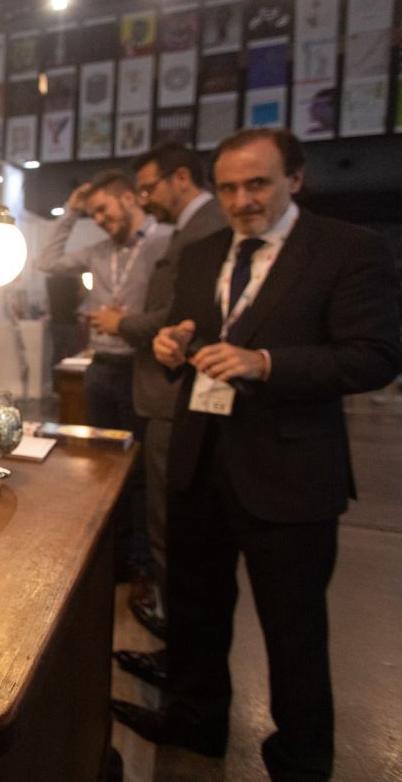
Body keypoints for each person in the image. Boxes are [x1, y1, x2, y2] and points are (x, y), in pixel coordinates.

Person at [112, 128, 402, 780]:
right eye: (231, 186)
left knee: (293, 632)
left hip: (289, 472)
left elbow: (376, 355)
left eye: (259, 183)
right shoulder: (205, 251)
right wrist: (172, 344)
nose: (243, 199)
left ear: (295, 178)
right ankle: (196, 719)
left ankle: (300, 760)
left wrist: (266, 362)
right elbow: (191, 333)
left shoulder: (347, 249)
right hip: (200, 459)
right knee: (195, 609)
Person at [96, 144, 228, 689]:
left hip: (175, 392)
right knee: (165, 520)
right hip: (164, 388)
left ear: (180, 178)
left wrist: (125, 325)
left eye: (148, 188)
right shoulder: (191, 231)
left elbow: (182, 315)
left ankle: (186, 666)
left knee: (173, 526)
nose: (146, 198)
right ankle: (180, 651)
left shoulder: (203, 230)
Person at [37, 169, 173, 589]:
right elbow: (46, 262)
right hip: (101, 369)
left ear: (129, 199)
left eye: (102, 209)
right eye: (92, 212)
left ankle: (141, 561)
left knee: (141, 473)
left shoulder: (166, 241)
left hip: (145, 369)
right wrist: (71, 213)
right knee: (102, 466)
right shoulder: (96, 251)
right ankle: (112, 555)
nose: (99, 218)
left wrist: (127, 322)